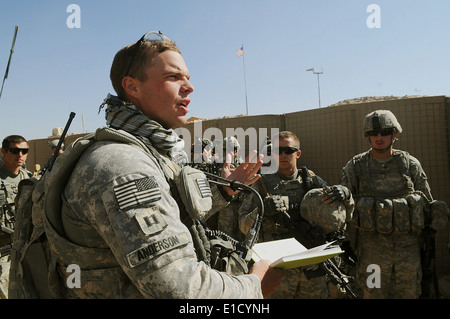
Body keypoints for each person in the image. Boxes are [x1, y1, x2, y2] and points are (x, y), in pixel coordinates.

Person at [43, 30, 283, 298]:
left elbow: (169, 209)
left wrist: (225, 190)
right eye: (173, 77)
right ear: (132, 87)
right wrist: (253, 285)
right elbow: (180, 290)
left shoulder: (151, 150)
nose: (189, 87)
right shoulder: (124, 165)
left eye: (188, 78)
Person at [340, 110, 448, 298]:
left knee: (409, 293)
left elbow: (428, 204)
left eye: (385, 132)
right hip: (371, 249)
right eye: (374, 133)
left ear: (395, 133)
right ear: (368, 136)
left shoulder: (410, 164)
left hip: (408, 249)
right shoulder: (356, 166)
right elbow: (345, 207)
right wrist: (347, 243)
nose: (379, 137)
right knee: (373, 293)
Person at [239, 131, 354, 299]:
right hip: (277, 269)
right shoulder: (260, 184)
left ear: (298, 153)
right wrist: (262, 210)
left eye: (289, 150)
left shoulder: (312, 181)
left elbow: (340, 216)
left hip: (312, 267)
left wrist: (346, 195)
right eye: (278, 151)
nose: (283, 155)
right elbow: (243, 226)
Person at [0, 135, 31, 298]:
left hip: (25, 246)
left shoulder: (30, 179)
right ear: (3, 151)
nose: (20, 155)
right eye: (15, 151)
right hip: (2, 249)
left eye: (24, 151)